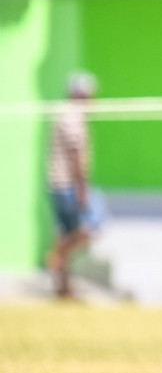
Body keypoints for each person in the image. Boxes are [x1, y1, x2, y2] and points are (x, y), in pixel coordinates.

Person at [46, 71, 97, 299]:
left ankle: (63, 288)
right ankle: (57, 255)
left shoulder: (64, 113)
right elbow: (75, 154)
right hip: (67, 184)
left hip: (57, 183)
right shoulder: (73, 115)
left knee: (65, 232)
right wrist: (82, 189)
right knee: (88, 229)